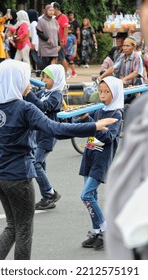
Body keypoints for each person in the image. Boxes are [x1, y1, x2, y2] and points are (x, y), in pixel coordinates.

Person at [0, 59, 116, 259]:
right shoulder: (24, 108)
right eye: (25, 78)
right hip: (18, 176)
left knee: (12, 227)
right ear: (16, 81)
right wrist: (94, 126)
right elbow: (56, 129)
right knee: (23, 230)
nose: (29, 83)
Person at [105, 0, 148, 260]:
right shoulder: (121, 56)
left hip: (134, 89)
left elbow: (133, 75)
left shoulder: (137, 60)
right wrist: (106, 75)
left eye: (129, 44)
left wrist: (121, 80)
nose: (126, 46)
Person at [78, 76, 124, 250]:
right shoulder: (98, 111)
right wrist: (82, 118)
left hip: (101, 161)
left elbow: (107, 137)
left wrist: (92, 123)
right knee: (91, 198)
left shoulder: (116, 115)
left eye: (107, 92)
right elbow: (85, 128)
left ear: (115, 93)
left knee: (86, 195)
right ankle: (97, 231)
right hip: (89, 157)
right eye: (101, 91)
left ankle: (106, 230)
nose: (102, 95)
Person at [24, 64, 64, 210]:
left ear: (57, 79)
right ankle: (47, 197)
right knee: (41, 165)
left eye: (48, 77)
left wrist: (29, 93)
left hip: (48, 134)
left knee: (35, 163)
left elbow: (42, 107)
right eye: (44, 76)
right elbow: (31, 103)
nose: (44, 80)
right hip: (37, 133)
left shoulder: (56, 95)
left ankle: (49, 193)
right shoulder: (43, 92)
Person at [98, 36, 144, 105]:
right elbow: (113, 68)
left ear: (133, 47)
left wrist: (124, 79)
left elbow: (136, 73)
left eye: (128, 46)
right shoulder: (122, 56)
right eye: (124, 46)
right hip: (125, 87)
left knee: (136, 106)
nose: (125, 48)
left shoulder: (137, 57)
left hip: (135, 88)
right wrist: (101, 77)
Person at [36, 4, 59, 70]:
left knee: (52, 63)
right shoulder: (41, 21)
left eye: (52, 10)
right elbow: (39, 32)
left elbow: (57, 34)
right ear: (46, 11)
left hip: (53, 45)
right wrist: (46, 39)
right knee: (45, 63)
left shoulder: (55, 21)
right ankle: (42, 77)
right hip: (45, 45)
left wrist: (58, 44)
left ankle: (48, 77)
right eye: (49, 10)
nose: (51, 12)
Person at [52, 2, 70, 79]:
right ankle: (55, 73)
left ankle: (67, 72)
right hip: (56, 41)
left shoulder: (63, 17)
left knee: (62, 58)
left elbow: (66, 30)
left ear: (56, 9)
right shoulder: (55, 18)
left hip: (61, 42)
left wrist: (63, 41)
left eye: (52, 9)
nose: (51, 11)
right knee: (56, 57)